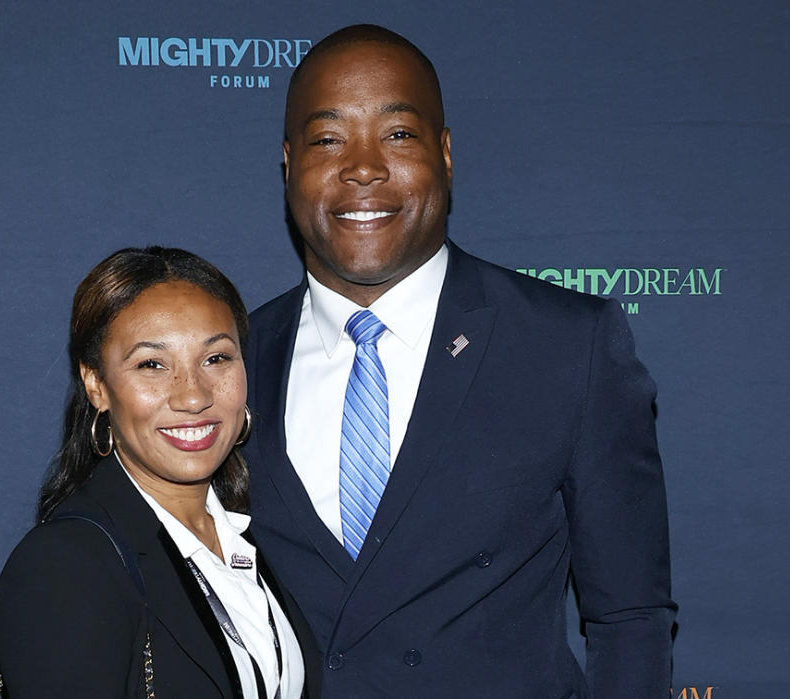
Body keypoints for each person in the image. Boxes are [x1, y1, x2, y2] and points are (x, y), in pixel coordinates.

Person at [241, 25, 677, 698]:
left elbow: (630, 616)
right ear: (288, 162)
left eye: (398, 134)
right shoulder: (232, 357)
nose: (363, 166)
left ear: (444, 154)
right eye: (328, 139)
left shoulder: (569, 345)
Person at [0, 247, 321, 698]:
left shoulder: (249, 538)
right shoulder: (66, 565)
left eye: (216, 358)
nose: (193, 396)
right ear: (96, 384)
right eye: (152, 365)